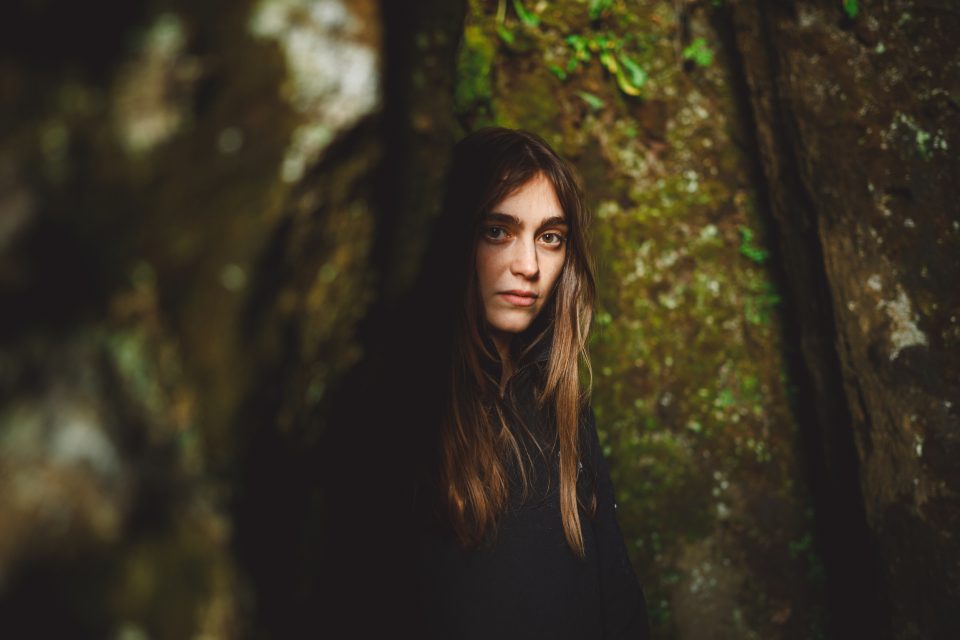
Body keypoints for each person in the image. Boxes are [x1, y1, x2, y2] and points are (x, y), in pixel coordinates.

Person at [403, 127, 651, 639]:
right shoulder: (399, 411)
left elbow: (619, 600)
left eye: (550, 237)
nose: (530, 266)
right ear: (454, 236)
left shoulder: (562, 403)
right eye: (498, 230)